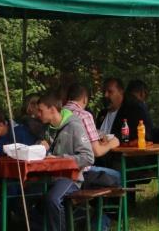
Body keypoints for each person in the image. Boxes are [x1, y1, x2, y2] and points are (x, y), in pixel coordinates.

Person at [35, 93, 95, 231]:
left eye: (41, 110)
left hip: (70, 177)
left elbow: (88, 157)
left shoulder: (74, 126)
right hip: (49, 176)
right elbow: (45, 150)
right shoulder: (48, 128)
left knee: (53, 199)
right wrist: (40, 147)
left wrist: (60, 159)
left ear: (52, 110)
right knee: (26, 196)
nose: (38, 114)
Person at [63, 84, 122, 187]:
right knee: (118, 176)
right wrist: (112, 143)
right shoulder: (84, 115)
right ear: (85, 99)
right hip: (81, 172)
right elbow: (97, 151)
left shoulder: (58, 113)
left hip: (60, 170)